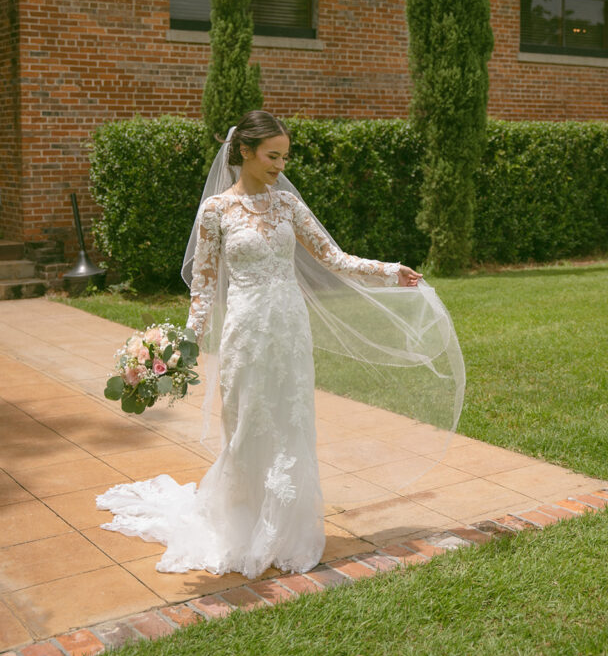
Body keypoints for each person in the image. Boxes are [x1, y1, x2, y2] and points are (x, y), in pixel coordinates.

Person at [97, 110, 464, 579]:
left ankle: (286, 529)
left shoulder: (288, 205)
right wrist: (182, 347)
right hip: (246, 334)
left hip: (290, 332)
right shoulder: (216, 211)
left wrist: (391, 272)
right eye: (273, 156)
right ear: (245, 151)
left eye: (285, 157)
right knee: (246, 424)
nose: (280, 166)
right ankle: (240, 526)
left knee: (291, 423)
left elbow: (334, 257)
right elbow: (204, 286)